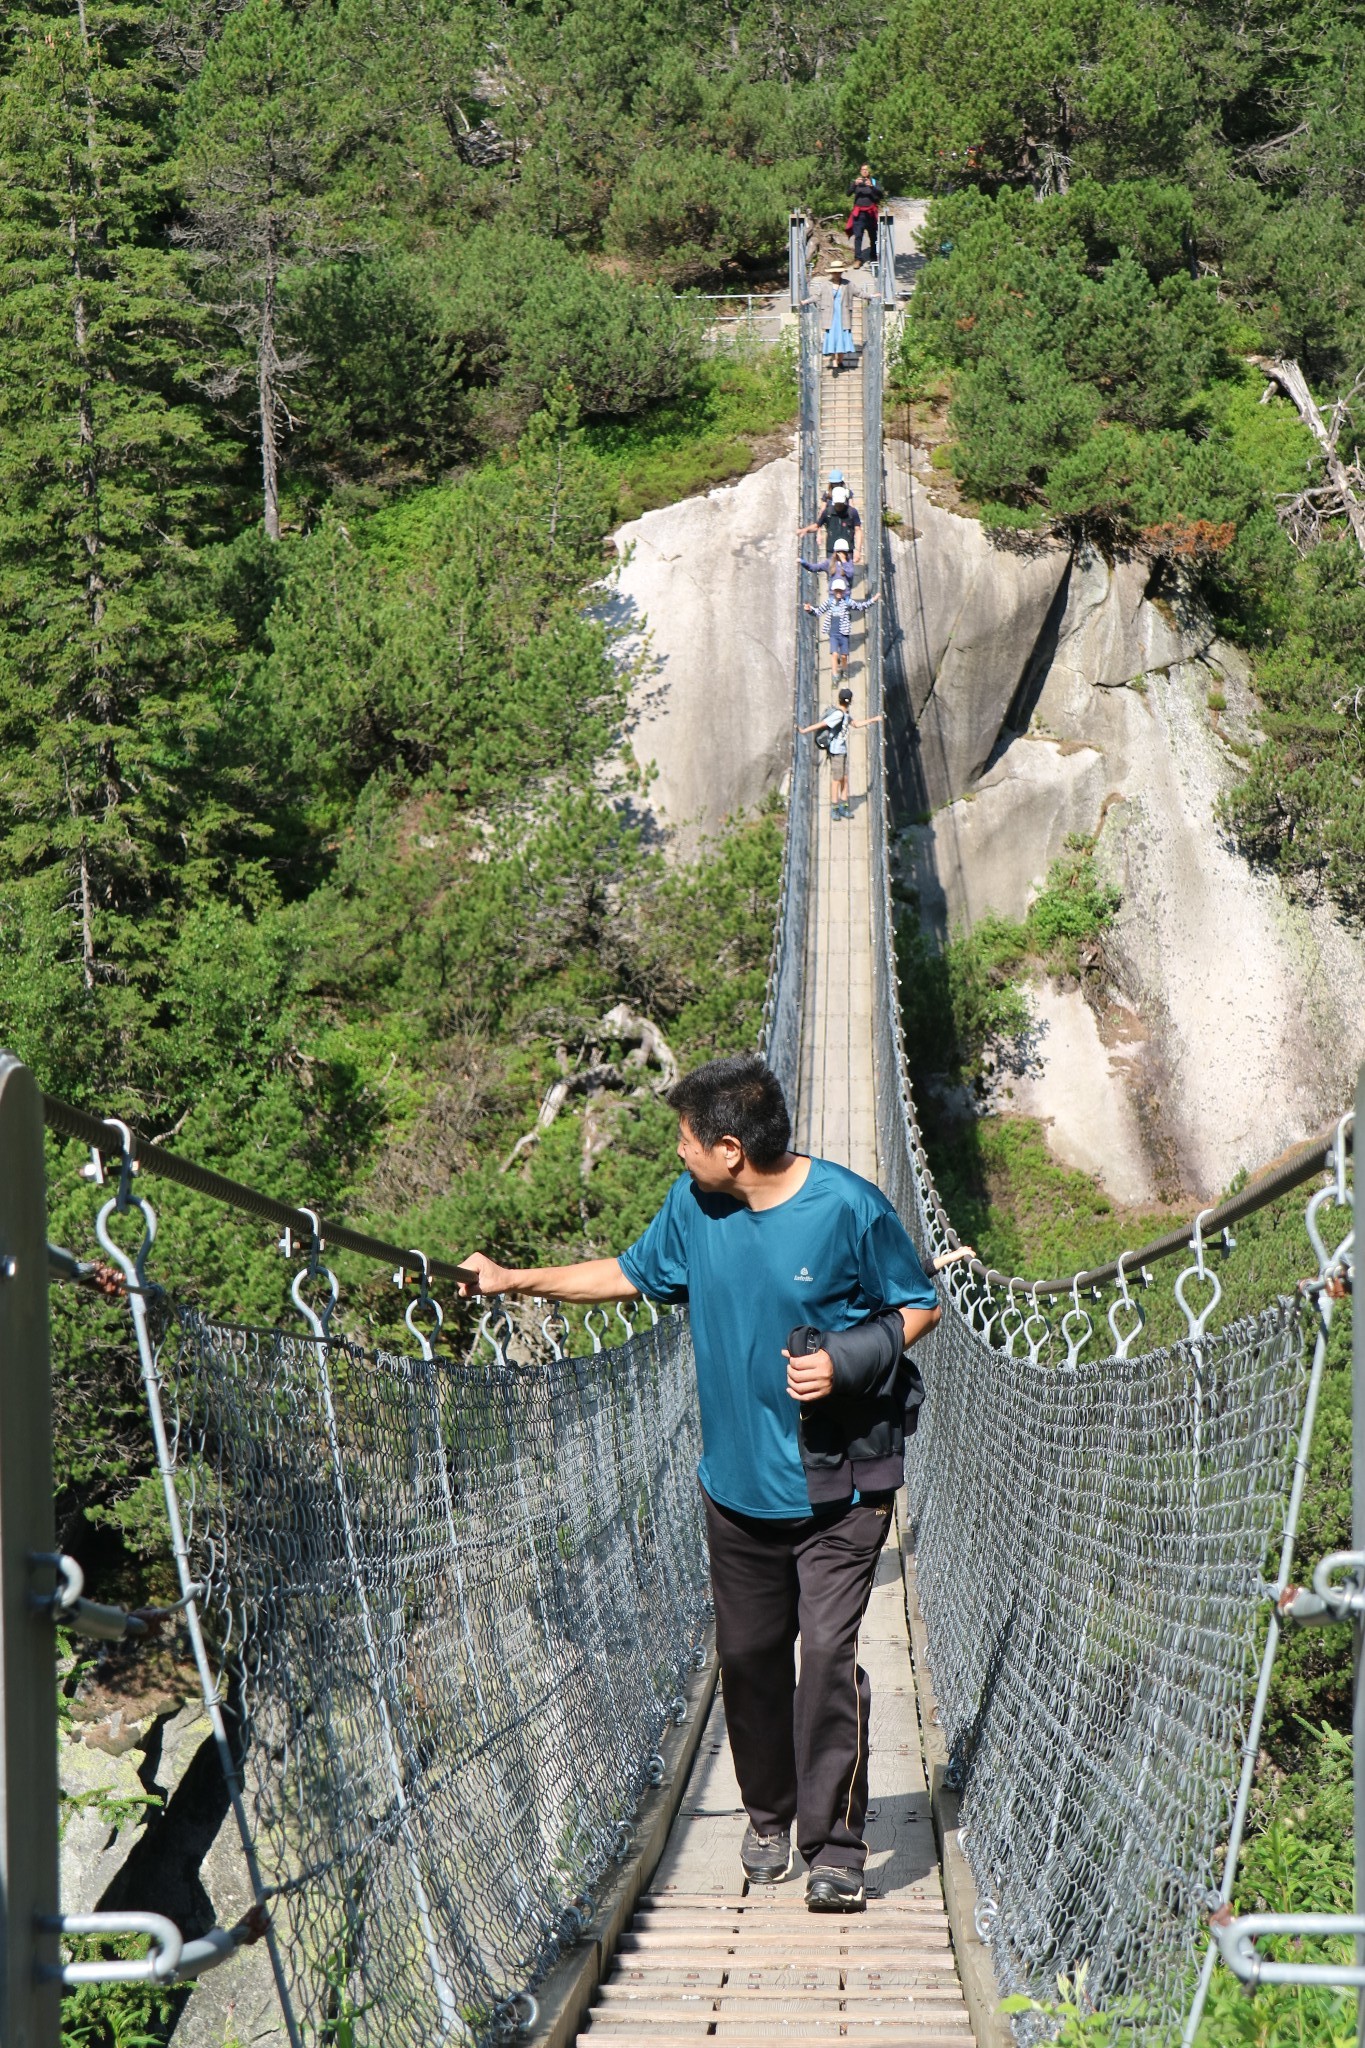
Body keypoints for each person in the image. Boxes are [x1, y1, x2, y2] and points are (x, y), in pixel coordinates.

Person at [457, 1054, 940, 1913]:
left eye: (684, 1140)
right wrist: (512, 1279)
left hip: (841, 1485)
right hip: (736, 1489)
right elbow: (626, 1274)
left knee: (826, 1659)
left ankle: (834, 1845)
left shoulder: (848, 1209)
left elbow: (917, 1305)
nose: (676, 1154)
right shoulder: (696, 1205)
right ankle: (768, 1813)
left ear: (728, 1148)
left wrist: (845, 1360)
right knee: (750, 1663)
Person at [799, 685, 884, 819]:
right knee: (836, 780)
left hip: (842, 751)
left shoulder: (845, 714)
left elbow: (855, 724)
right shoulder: (838, 715)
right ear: (850, 701)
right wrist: (805, 731)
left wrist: (873, 720)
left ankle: (843, 807)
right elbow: (823, 724)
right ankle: (834, 809)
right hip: (836, 752)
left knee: (844, 778)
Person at [805, 580, 879, 678]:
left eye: (840, 591)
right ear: (834, 591)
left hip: (844, 634)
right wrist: (810, 610)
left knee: (844, 656)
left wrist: (872, 600)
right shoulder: (829, 602)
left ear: (843, 591)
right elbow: (818, 611)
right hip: (833, 634)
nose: (839, 593)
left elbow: (860, 607)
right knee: (834, 654)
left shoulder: (847, 602)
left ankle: (844, 670)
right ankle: (835, 675)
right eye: (837, 591)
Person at [798, 471, 862, 562]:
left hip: (847, 540)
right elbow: (819, 521)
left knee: (846, 571)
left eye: (837, 483)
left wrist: (858, 550)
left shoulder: (851, 510)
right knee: (832, 570)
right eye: (833, 484)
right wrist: (814, 532)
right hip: (832, 536)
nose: (835, 485)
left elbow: (857, 528)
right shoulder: (827, 507)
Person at [847, 165, 881, 267]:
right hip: (859, 213)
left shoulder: (874, 182)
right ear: (860, 171)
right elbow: (848, 193)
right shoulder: (857, 182)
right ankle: (858, 259)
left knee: (873, 236)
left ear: (870, 171)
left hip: (870, 213)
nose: (864, 171)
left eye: (866, 169)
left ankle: (873, 256)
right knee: (858, 236)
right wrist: (854, 184)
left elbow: (880, 196)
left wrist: (871, 186)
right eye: (863, 169)